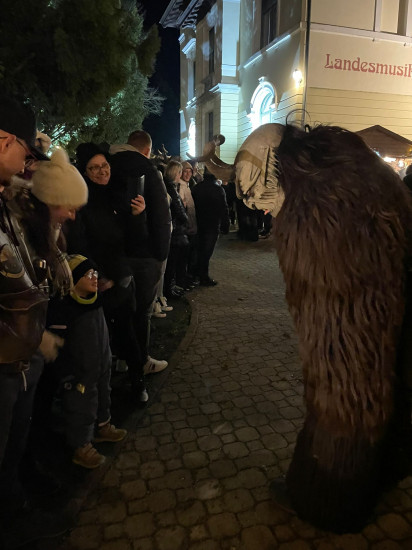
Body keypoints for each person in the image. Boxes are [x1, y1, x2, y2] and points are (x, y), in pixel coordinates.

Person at [0, 96, 71, 547]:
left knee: (13, 442)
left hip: (17, 355)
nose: (28, 164)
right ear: (4, 140)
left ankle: (13, 504)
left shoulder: (8, 200)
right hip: (5, 356)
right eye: (26, 152)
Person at [66, 143, 148, 402]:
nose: (102, 171)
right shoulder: (81, 203)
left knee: (127, 332)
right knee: (100, 342)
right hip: (96, 282)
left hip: (120, 279)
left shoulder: (118, 195)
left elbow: (134, 243)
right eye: (94, 168)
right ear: (85, 172)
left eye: (104, 165)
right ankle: (103, 398)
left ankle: (137, 381)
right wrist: (99, 276)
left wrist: (137, 216)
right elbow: (79, 245)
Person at [47, 254, 127, 469]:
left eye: (95, 273)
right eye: (87, 274)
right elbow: (59, 346)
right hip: (80, 372)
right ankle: (81, 445)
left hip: (100, 364)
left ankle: (102, 425)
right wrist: (66, 372)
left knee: (102, 393)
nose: (94, 278)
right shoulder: (65, 309)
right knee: (81, 405)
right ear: (72, 279)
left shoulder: (96, 300)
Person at [110, 130, 171, 375]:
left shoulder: (108, 166)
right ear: (147, 150)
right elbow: (161, 217)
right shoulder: (148, 169)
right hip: (146, 254)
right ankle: (141, 360)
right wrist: (161, 252)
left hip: (116, 252)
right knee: (142, 310)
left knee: (120, 310)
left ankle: (121, 358)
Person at [191, 167, 230, 286]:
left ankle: (196, 274)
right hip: (212, 224)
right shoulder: (218, 189)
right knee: (206, 252)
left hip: (199, 223)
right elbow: (223, 208)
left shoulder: (197, 188)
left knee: (199, 250)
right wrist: (225, 225)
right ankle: (203, 276)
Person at [163, 160, 189, 298]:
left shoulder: (166, 186)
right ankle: (169, 289)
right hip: (175, 232)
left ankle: (170, 287)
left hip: (172, 230)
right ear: (176, 173)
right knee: (172, 263)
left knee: (172, 263)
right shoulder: (172, 189)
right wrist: (186, 218)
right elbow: (179, 211)